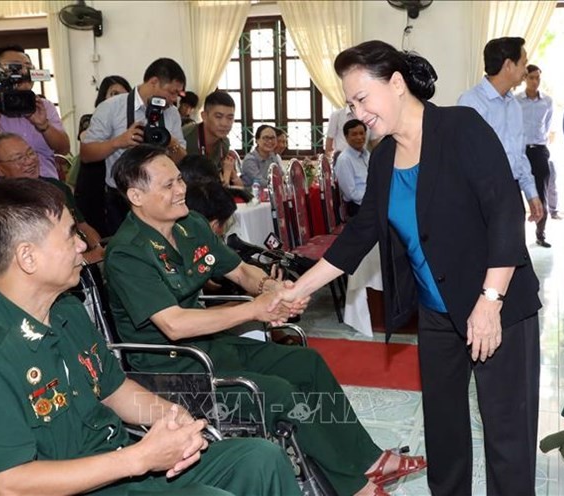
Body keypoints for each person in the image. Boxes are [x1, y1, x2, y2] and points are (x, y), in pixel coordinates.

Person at [274, 40, 542, 496]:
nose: (357, 113)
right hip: (436, 312)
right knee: (444, 429)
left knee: (506, 434)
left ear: (396, 83)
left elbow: (504, 214)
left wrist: (489, 301)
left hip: (497, 305)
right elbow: (358, 237)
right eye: (350, 104)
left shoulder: (460, 128)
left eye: (362, 99)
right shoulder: (382, 158)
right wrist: (298, 289)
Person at [0, 177, 301, 496]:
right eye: (70, 235)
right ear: (28, 257)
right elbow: (7, 485)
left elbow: (115, 389)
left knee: (260, 459)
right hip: (83, 482)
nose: (82, 245)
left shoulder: (66, 311)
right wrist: (138, 458)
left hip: (119, 468)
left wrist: (176, 421)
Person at [104, 144, 427, 496]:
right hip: (170, 373)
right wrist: (255, 309)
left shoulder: (190, 225)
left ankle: (368, 459)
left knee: (307, 363)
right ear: (136, 195)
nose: (181, 190)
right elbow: (174, 324)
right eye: (168, 185)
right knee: (278, 394)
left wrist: (271, 287)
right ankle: (355, 488)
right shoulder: (127, 252)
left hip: (210, 348)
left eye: (179, 180)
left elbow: (240, 270)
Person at [80, 58, 188, 235]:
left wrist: (170, 142)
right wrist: (118, 142)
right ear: (153, 82)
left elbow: (183, 160)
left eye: (178, 94)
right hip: (120, 200)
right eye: (171, 92)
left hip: (161, 199)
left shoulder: (171, 113)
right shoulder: (111, 107)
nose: (174, 99)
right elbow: (86, 154)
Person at [457, 37, 543, 224]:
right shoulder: (471, 103)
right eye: (523, 63)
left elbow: (519, 154)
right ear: (508, 65)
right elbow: (464, 160)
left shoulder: (514, 105)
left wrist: (531, 192)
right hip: (480, 199)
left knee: (512, 252)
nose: (526, 70)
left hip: (511, 194)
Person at [0, 132, 104, 264]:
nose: (29, 161)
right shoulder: (1, 206)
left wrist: (99, 249)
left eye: (30, 153)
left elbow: (82, 226)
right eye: (19, 158)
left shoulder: (56, 187)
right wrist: (86, 259)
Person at [0, 45, 70, 185]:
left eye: (29, 67)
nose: (25, 72)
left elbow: (64, 149)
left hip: (47, 189)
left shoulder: (43, 106)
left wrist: (44, 126)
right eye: (15, 67)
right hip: (5, 196)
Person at [75, 75, 131, 237]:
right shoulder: (89, 119)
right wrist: (119, 139)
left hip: (119, 186)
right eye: (114, 94)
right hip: (94, 182)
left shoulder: (132, 122)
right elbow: (87, 141)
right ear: (103, 97)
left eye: (124, 94)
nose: (119, 99)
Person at [517, 64, 554, 247]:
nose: (534, 81)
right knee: (516, 195)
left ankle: (541, 234)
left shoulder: (547, 101)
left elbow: (547, 126)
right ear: (525, 79)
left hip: (539, 150)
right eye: (531, 77)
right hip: (520, 150)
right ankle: (517, 239)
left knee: (542, 194)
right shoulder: (516, 101)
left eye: (537, 78)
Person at [183, 91, 242, 187]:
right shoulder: (186, 137)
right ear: (204, 116)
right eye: (218, 117)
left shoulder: (224, 143)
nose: (225, 123)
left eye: (230, 118)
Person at [334, 119, 370, 218]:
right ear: (346, 137)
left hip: (371, 201)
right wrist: (372, 200)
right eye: (354, 134)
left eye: (362, 133)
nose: (359, 137)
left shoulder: (367, 155)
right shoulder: (344, 159)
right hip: (357, 207)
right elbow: (351, 194)